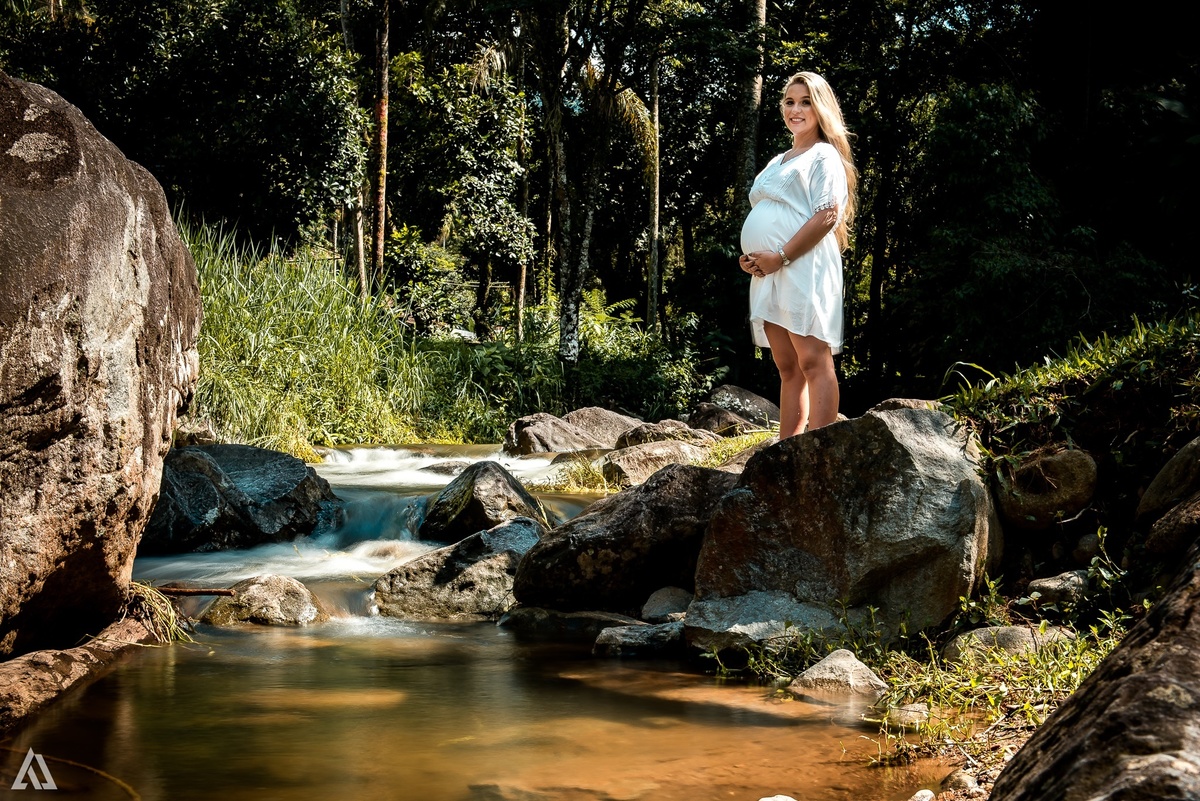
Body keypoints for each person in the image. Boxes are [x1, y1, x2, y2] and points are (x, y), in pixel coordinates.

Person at [738, 71, 857, 438]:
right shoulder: (778, 160)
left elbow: (827, 215)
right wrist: (753, 258)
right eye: (790, 101)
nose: (796, 109)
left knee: (813, 360)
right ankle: (786, 448)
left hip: (802, 265)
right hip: (769, 272)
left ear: (820, 108)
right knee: (787, 366)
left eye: (805, 101)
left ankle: (820, 451)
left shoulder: (824, 156)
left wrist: (781, 256)